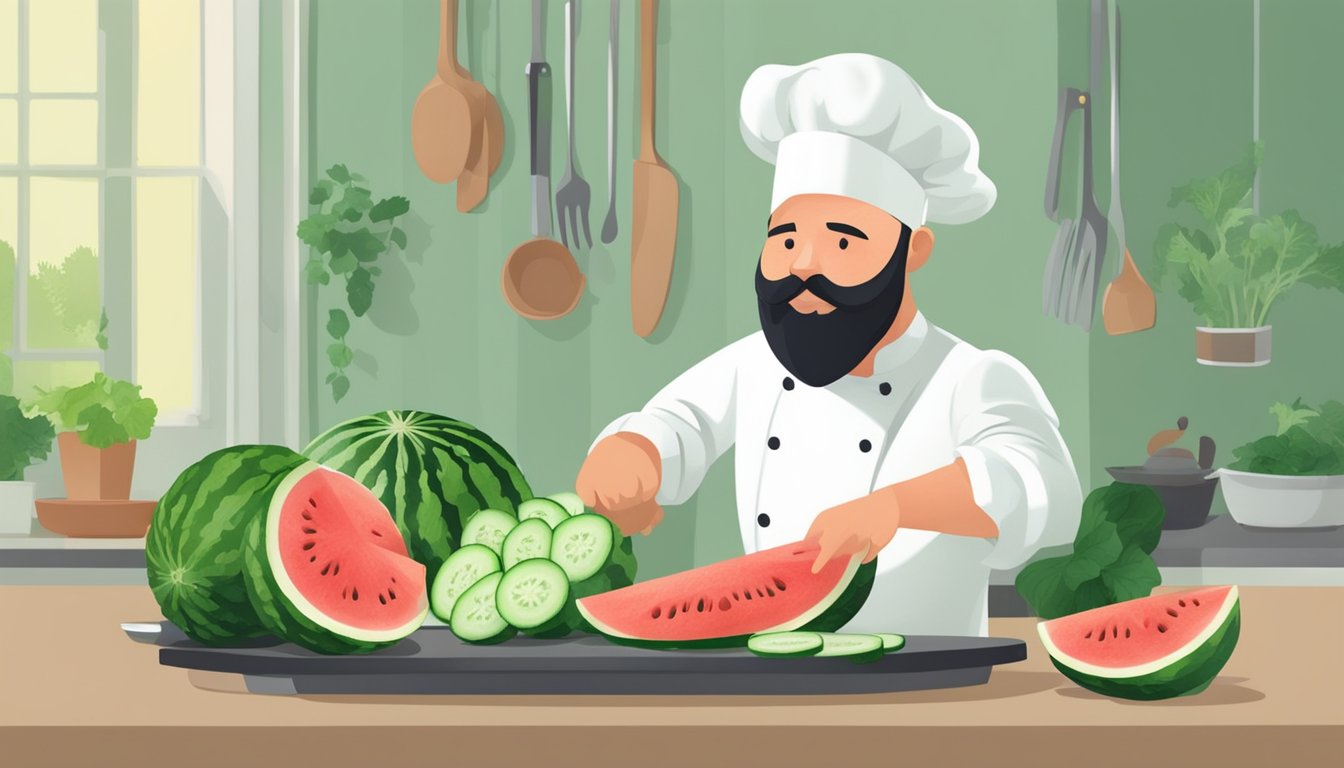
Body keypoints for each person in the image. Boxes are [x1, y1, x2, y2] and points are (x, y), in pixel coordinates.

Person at [576, 53, 1081, 637]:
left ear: (913, 250)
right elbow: (679, 420)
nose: (804, 267)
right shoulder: (755, 362)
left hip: (930, 688)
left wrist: (894, 508)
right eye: (785, 240)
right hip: (772, 676)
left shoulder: (972, 376)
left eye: (843, 243)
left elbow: (1046, 488)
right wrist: (632, 453)